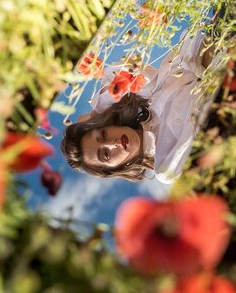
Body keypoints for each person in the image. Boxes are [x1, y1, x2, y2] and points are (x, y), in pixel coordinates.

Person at [61, 30, 215, 183]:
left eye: (103, 135)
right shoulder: (165, 167)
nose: (111, 143)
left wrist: (97, 113)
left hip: (214, 28)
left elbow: (128, 73)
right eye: (105, 154)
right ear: (116, 168)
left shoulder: (150, 100)